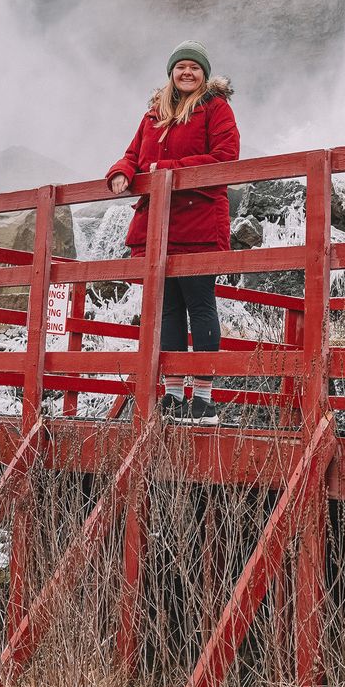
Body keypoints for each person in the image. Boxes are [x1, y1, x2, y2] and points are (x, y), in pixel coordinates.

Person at [106, 43, 239, 422]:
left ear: (204, 74)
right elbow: (133, 155)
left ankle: (204, 399)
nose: (187, 73)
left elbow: (227, 157)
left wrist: (167, 168)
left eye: (194, 68)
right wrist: (121, 172)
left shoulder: (216, 108)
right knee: (167, 309)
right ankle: (175, 394)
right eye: (180, 67)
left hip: (199, 224)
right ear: (171, 73)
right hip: (159, 227)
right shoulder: (154, 114)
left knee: (199, 304)